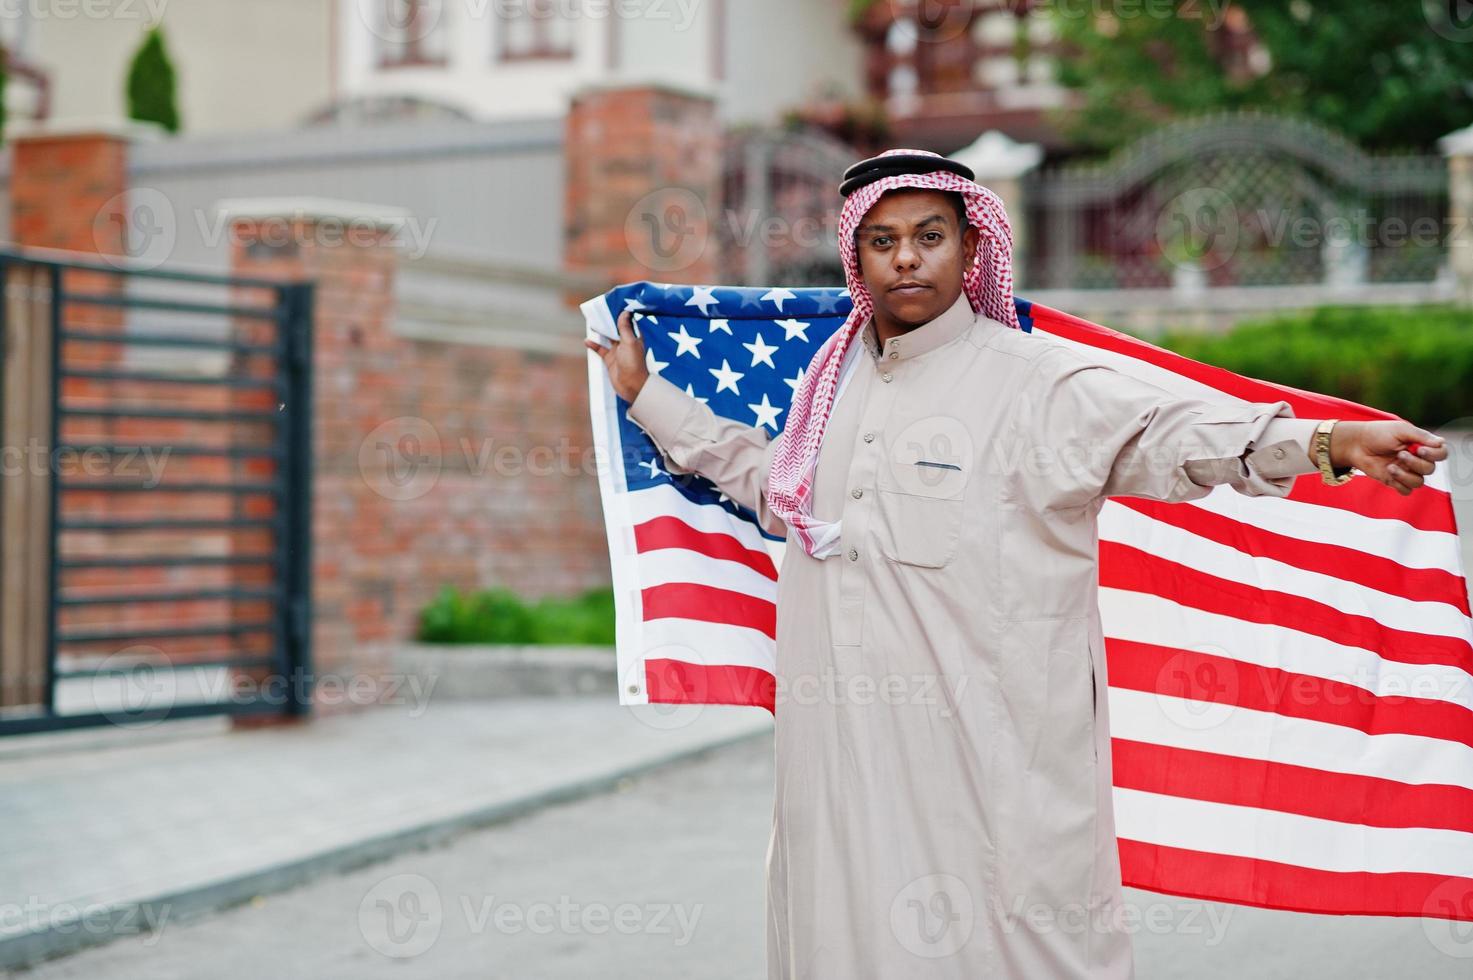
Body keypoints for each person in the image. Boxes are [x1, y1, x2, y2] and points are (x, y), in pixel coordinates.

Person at [584, 149, 1450, 979]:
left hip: (985, 773)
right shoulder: (832, 385)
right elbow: (779, 496)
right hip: (838, 765)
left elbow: (1173, 435)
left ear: (971, 248)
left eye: (929, 236)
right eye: (881, 243)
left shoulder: (1038, 382)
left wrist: (1325, 440)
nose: (906, 260)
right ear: (856, 256)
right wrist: (648, 396)